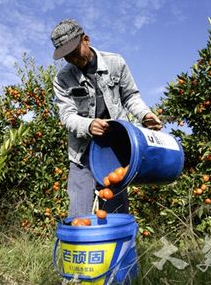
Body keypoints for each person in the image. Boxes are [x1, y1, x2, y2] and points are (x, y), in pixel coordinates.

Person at [51, 18, 162, 217]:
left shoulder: (115, 63)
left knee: (115, 213)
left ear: (86, 39)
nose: (74, 60)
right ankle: (83, 248)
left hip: (114, 151)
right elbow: (66, 115)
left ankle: (117, 248)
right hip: (82, 153)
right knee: (78, 216)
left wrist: (144, 114)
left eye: (75, 53)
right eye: (67, 57)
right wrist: (89, 125)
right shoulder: (62, 79)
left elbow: (130, 96)